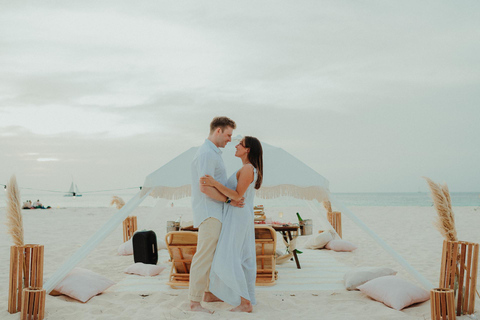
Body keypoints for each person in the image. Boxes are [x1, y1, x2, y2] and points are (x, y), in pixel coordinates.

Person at [200, 136, 263, 313]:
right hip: (236, 214)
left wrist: (214, 183)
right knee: (234, 255)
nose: (235, 146)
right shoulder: (246, 168)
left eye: (240, 144)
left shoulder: (248, 169)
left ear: (247, 149)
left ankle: (245, 302)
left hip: (238, 215)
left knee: (232, 257)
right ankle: (222, 293)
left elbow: (237, 195)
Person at [189, 116, 244, 313]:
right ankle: (194, 302)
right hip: (209, 211)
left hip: (214, 211)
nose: (230, 139)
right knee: (203, 256)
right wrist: (230, 200)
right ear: (218, 131)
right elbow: (204, 187)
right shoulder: (207, 154)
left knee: (210, 256)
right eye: (228, 135)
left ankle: (207, 293)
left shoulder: (212, 153)